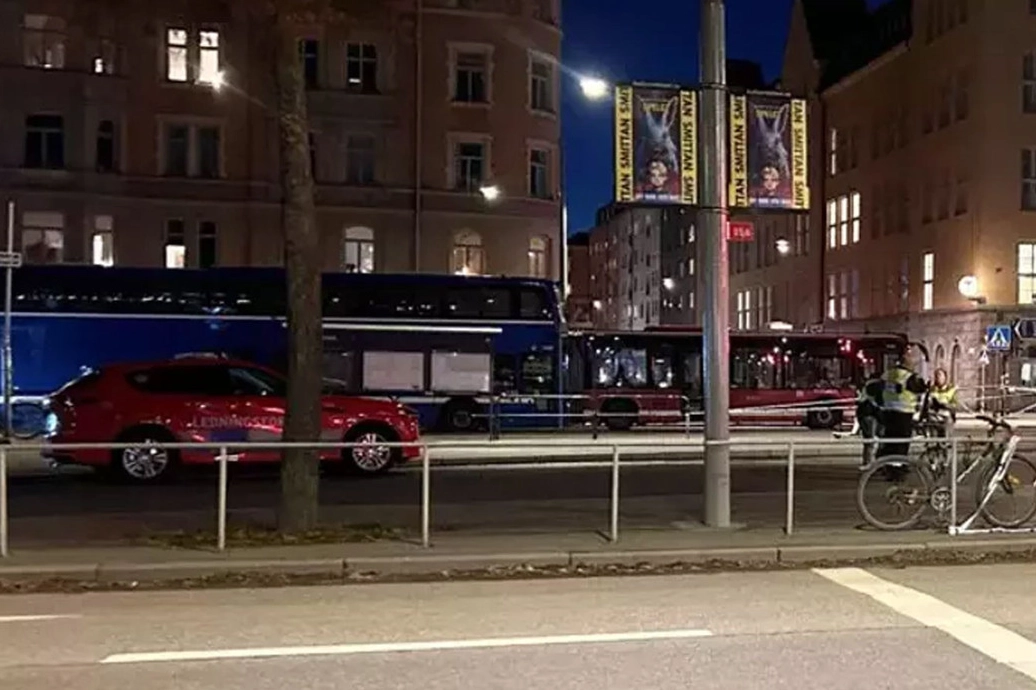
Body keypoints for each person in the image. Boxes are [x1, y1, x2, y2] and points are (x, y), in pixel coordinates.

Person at [872, 349, 928, 460]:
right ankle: (898, 465)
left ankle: (884, 463)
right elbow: (921, 389)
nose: (914, 365)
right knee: (901, 443)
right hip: (903, 414)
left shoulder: (887, 374)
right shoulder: (909, 376)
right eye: (913, 362)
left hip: (887, 413)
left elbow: (877, 392)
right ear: (908, 363)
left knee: (889, 440)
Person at [929, 367, 960, 436]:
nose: (938, 378)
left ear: (945, 377)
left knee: (946, 429)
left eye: (940, 375)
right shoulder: (932, 389)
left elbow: (955, 405)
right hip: (934, 415)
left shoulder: (951, 389)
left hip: (947, 415)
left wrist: (946, 405)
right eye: (936, 376)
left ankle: (946, 440)